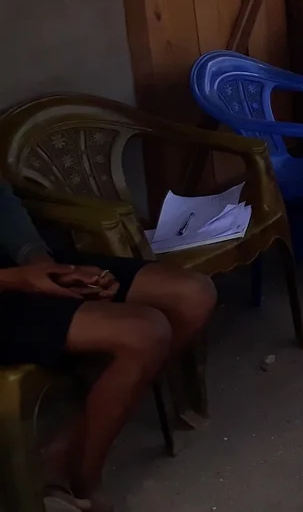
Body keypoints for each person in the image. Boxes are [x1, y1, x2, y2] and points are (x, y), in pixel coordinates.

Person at [0, 181, 216, 511]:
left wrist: (45, 266)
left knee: (192, 295)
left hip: (18, 269)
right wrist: (20, 280)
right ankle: (85, 483)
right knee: (144, 332)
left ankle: (59, 456)